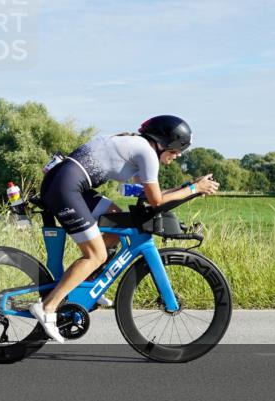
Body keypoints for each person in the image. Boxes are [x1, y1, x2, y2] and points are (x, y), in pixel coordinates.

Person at [29, 115, 219, 342]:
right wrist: (195, 188)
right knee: (96, 254)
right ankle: (48, 307)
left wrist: (189, 187)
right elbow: (157, 201)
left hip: (67, 181)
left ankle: (88, 284)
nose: (178, 155)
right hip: (66, 186)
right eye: (177, 149)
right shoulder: (147, 153)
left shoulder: (137, 147)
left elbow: (149, 195)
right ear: (162, 142)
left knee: (115, 218)